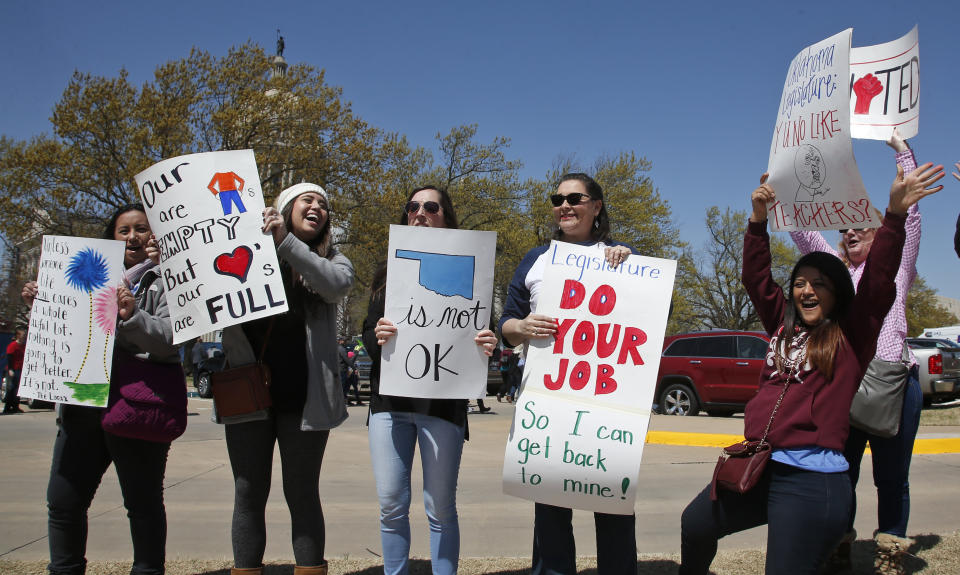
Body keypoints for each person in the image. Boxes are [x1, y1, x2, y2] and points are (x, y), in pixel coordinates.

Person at [679, 162, 945, 575]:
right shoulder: (782, 327)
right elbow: (756, 278)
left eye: (820, 283)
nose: (807, 289)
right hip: (761, 465)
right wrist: (757, 220)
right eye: (801, 282)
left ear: (838, 294)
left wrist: (894, 215)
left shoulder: (852, 337)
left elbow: (878, 281)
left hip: (812, 482)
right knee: (695, 525)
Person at [788, 131, 929, 573]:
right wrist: (785, 182)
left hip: (892, 385)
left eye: (859, 227)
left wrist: (902, 151)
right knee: (839, 471)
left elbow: (909, 216)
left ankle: (890, 550)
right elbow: (803, 232)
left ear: (877, 232)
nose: (849, 232)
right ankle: (839, 545)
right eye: (844, 228)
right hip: (843, 383)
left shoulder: (895, 266)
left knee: (892, 478)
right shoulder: (835, 272)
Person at [21, 203, 184, 575]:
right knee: (63, 501)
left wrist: (132, 316)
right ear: (111, 237)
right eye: (123, 230)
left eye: (141, 228)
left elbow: (172, 339)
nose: (133, 236)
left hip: (138, 405)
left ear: (154, 236)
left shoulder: (168, 280)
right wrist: (42, 305)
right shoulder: (81, 275)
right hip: (82, 404)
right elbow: (63, 336)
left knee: (142, 505)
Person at [498, 173, 638, 575]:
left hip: (608, 408)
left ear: (596, 206)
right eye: (557, 199)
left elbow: (644, 319)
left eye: (575, 198)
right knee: (551, 511)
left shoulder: (624, 259)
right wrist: (520, 328)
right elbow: (505, 322)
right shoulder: (536, 259)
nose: (564, 206)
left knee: (613, 507)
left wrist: (629, 263)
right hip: (548, 400)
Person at [362, 185, 497, 575]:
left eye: (431, 206)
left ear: (446, 216)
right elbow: (368, 336)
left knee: (440, 506)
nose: (420, 212)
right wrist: (378, 336)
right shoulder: (388, 275)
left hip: (442, 406)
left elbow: (480, 336)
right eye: (413, 206)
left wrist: (489, 342)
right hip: (389, 407)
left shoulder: (473, 269)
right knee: (391, 503)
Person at [220, 182, 353, 575]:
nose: (317, 207)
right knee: (248, 492)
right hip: (248, 393)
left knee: (301, 493)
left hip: (305, 400)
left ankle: (310, 568)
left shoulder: (334, 261)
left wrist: (285, 243)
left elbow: (335, 287)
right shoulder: (245, 254)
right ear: (284, 208)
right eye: (307, 200)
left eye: (323, 204)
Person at [3, 327, 25, 413]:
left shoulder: (23, 346)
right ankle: (7, 407)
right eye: (23, 334)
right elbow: (9, 357)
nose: (24, 336)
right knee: (11, 389)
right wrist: (11, 369)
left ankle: (16, 406)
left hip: (20, 369)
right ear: (18, 335)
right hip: (13, 369)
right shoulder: (12, 345)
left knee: (18, 389)